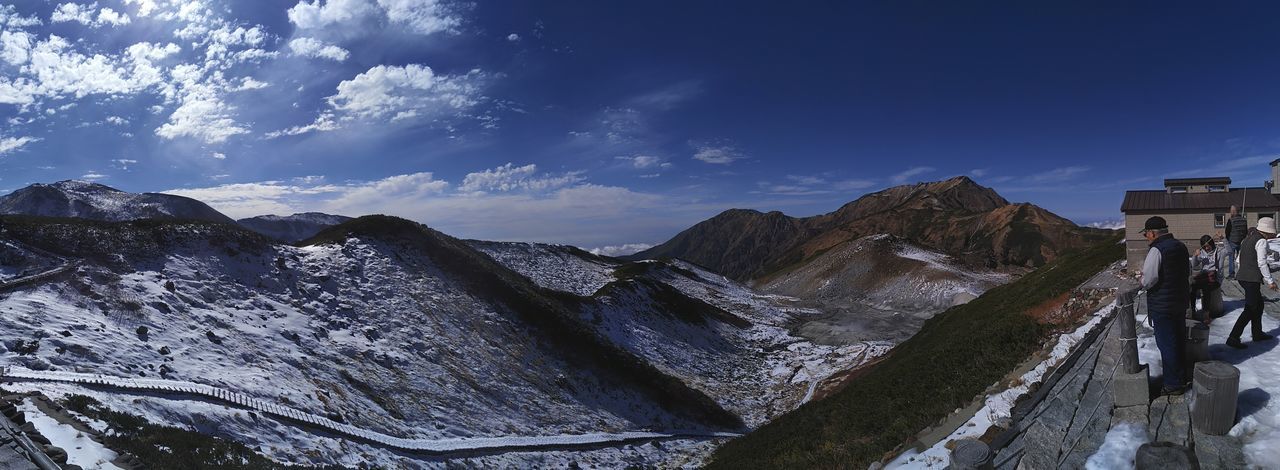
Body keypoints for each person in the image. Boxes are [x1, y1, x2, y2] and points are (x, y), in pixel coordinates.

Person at [1139, 216, 1191, 395]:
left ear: (1153, 233)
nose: (1147, 237)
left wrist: (1141, 279)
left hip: (1163, 304)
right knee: (1178, 341)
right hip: (1180, 301)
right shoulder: (1181, 246)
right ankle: (1182, 376)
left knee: (1167, 344)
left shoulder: (1156, 250)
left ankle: (1172, 385)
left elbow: (1149, 279)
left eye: (1146, 234)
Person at [1227, 217, 1279, 348]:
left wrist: (1243, 272)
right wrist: (1270, 281)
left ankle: (1257, 333)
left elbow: (1238, 260)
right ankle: (1233, 337)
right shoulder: (1260, 240)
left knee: (1258, 305)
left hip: (1244, 277)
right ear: (1267, 232)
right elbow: (1262, 263)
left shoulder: (1247, 238)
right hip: (1251, 279)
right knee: (1250, 309)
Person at [1191, 235, 1226, 321]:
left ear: (1212, 244)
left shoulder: (1219, 252)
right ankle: (1192, 310)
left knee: (1206, 289)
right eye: (1204, 246)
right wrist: (1195, 256)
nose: (1206, 248)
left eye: (1208, 246)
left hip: (1214, 278)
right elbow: (1194, 265)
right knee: (1192, 286)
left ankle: (1206, 313)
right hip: (1204, 276)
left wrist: (1223, 239)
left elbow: (1229, 251)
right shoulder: (1202, 252)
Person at [1224, 206, 1247, 278]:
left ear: (1233, 211)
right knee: (1241, 258)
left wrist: (1228, 240)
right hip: (1242, 241)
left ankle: (1232, 274)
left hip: (1232, 241)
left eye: (1231, 211)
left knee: (1231, 258)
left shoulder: (1231, 220)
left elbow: (1227, 232)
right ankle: (1242, 273)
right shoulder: (1244, 220)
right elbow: (1246, 231)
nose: (1230, 212)